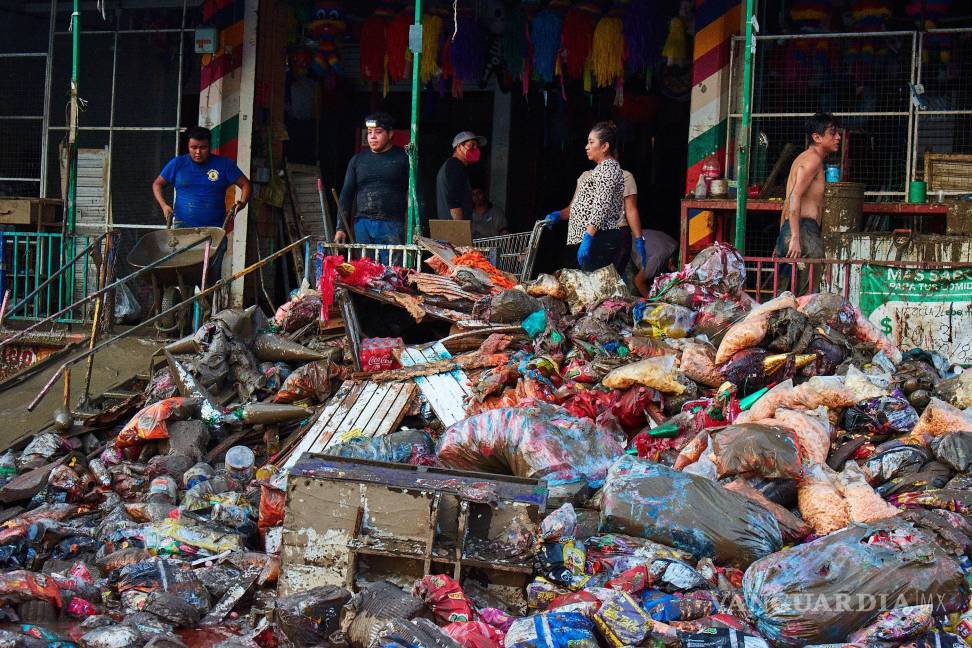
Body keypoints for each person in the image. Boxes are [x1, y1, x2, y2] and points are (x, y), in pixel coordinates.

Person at [542, 121, 625, 272]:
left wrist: (588, 237)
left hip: (599, 239)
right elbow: (578, 206)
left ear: (605, 147)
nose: (586, 147)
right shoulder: (597, 171)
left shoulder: (609, 169)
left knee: (594, 290)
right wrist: (559, 215)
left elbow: (601, 206)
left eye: (591, 142)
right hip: (588, 239)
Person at [776, 112, 840, 291]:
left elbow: (788, 200)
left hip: (792, 228)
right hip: (804, 231)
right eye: (833, 133)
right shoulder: (813, 160)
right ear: (817, 137)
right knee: (805, 296)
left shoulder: (803, 158)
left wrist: (783, 236)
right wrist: (795, 237)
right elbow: (795, 197)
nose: (838, 137)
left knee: (785, 296)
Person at [153, 126, 251, 229]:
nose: (198, 152)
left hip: (214, 229)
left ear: (210, 146)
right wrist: (164, 205)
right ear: (188, 146)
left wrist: (243, 203)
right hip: (182, 228)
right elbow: (157, 184)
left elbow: (246, 184)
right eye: (193, 147)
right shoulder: (177, 164)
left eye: (203, 147)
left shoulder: (225, 165)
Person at [335, 112, 409, 245]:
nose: (372, 137)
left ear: (390, 134)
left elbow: (416, 195)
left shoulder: (403, 158)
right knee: (364, 265)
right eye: (369, 132)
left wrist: (415, 229)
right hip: (363, 225)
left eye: (378, 132)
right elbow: (346, 195)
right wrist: (340, 228)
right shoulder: (357, 160)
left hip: (392, 225)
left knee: (392, 266)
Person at [436, 131, 486, 221]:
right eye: (472, 145)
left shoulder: (451, 165)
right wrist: (460, 229)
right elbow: (453, 201)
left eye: (476, 146)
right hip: (453, 228)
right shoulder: (456, 166)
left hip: (449, 226)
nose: (475, 149)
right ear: (459, 147)